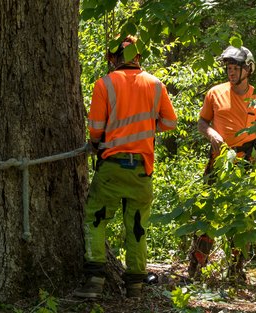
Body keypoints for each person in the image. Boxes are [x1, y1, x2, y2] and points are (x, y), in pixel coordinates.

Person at [74, 35, 177, 299]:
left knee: (96, 218)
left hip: (112, 166)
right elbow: (169, 122)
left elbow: (95, 129)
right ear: (138, 56)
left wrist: (96, 143)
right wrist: (144, 129)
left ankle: (95, 280)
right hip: (142, 169)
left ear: (116, 58)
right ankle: (135, 286)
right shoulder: (156, 85)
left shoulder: (104, 84)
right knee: (137, 226)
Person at [188, 45, 256, 280]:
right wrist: (211, 134)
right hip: (218, 159)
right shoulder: (214, 93)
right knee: (207, 211)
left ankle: (237, 269)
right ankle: (197, 266)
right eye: (229, 68)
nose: (231, 72)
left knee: (242, 215)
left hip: (246, 160)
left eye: (236, 68)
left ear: (248, 69)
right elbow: (202, 122)